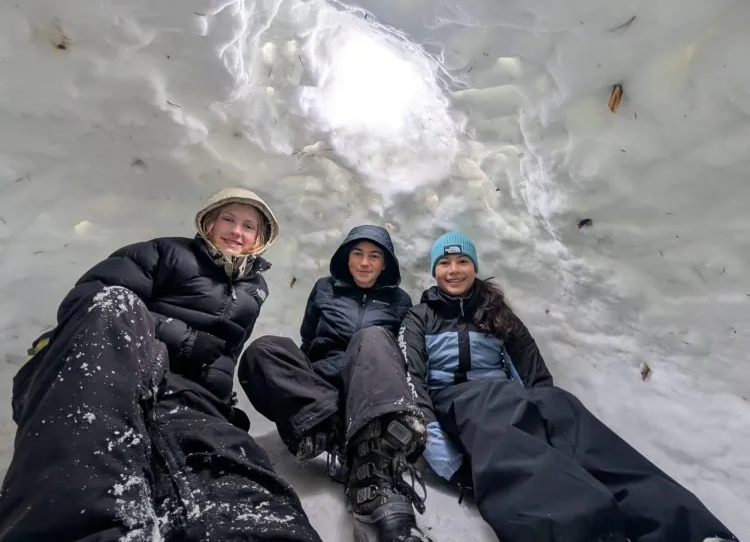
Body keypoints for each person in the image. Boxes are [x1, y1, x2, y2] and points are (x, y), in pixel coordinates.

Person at [0, 188, 323, 542]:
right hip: (121, 367)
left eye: (249, 226)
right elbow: (90, 299)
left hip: (191, 400)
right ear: (209, 222)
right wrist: (180, 336)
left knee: (242, 489)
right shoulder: (166, 252)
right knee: (115, 305)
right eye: (228, 219)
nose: (236, 231)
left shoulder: (253, 289)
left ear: (260, 238)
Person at [399, 231, 739, 542]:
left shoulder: (495, 312)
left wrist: (544, 414)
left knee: (563, 408)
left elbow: (533, 373)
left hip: (505, 400)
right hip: (456, 406)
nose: (454, 270)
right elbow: (411, 379)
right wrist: (443, 455)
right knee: (506, 419)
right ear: (434, 271)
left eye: (462, 261)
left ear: (474, 267)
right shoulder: (420, 317)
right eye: (444, 263)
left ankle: (688, 529)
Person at [240, 225, 430, 542]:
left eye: (374, 256)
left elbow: (401, 353)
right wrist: (300, 383)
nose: (365, 263)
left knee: (372, 336)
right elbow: (308, 339)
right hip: (324, 389)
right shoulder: (324, 289)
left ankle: (371, 452)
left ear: (385, 263)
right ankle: (330, 427)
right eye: (358, 254)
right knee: (264, 350)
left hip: (370, 387)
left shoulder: (399, 301)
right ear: (346, 257)